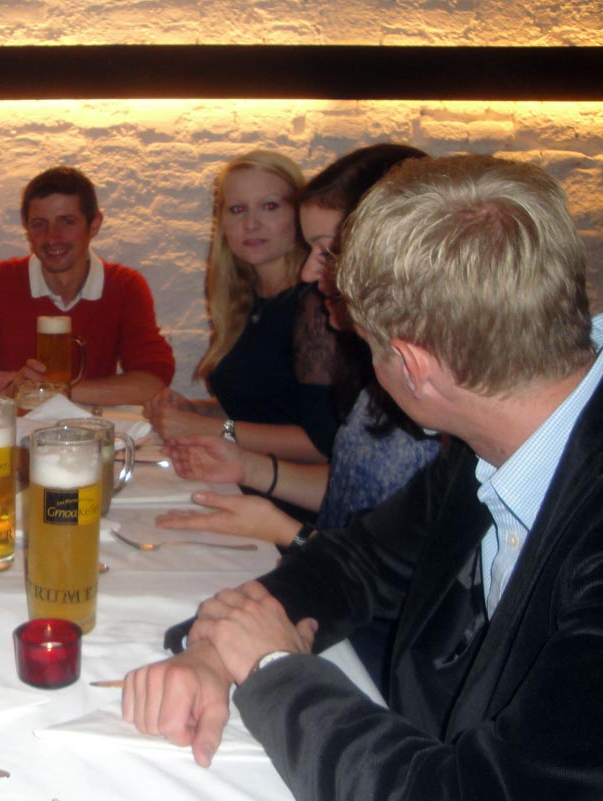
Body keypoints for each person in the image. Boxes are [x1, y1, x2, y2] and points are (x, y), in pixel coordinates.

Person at [123, 154, 603, 800]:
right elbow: (358, 563)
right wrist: (215, 647)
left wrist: (271, 668)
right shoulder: (492, 434)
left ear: (411, 365)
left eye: (367, 344)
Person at [154, 143, 438, 689]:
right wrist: (242, 466)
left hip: (370, 648)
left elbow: (389, 579)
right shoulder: (380, 388)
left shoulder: (423, 401)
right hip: (323, 581)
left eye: (328, 250)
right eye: (236, 210)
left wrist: (277, 516)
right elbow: (360, 531)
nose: (313, 271)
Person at [144, 150, 338, 465]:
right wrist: (198, 410)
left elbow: (322, 443)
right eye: (237, 209)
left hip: (293, 500)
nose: (251, 224)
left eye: (270, 206)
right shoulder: (247, 300)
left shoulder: (315, 304)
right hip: (242, 479)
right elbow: (264, 409)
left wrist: (213, 428)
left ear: (298, 214)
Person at [0, 166, 175, 406]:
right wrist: (13, 393)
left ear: (94, 225)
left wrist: (48, 391)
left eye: (67, 222)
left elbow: (153, 381)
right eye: (39, 224)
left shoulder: (124, 286)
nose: (52, 237)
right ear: (27, 229)